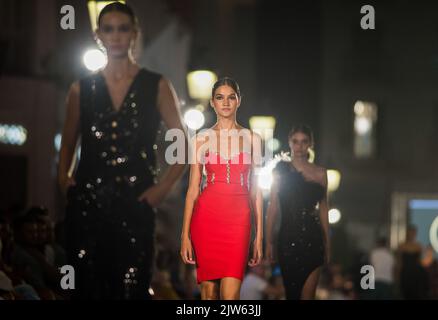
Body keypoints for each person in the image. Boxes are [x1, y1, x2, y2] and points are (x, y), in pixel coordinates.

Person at [58, 2, 186, 299]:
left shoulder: (157, 85)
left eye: (123, 28)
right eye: (109, 29)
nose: (116, 36)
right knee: (87, 288)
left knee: (132, 287)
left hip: (136, 203)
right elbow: (68, 141)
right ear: (98, 35)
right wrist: (64, 181)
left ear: (134, 34)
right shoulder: (81, 88)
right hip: (88, 204)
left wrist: (163, 187)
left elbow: (182, 143)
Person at [180, 77, 263, 300]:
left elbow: (257, 191)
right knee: (208, 293)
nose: (225, 102)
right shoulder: (201, 139)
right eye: (219, 97)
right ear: (212, 103)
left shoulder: (253, 139)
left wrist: (259, 236)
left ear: (239, 101)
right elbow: (192, 190)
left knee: (231, 295)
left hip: (239, 219)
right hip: (206, 217)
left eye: (230, 97)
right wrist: (184, 236)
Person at [266, 125, 329, 300]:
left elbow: (324, 209)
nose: (299, 146)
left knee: (307, 297)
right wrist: (268, 242)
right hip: (287, 239)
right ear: (289, 143)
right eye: (295, 141)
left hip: (313, 239)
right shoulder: (280, 171)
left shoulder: (320, 173)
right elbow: (273, 208)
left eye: (304, 142)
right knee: (292, 295)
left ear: (311, 144)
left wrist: (327, 243)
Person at [397, 225, 429, 299]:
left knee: (416, 294)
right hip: (405, 273)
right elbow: (399, 261)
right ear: (407, 233)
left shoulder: (418, 246)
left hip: (416, 273)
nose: (412, 234)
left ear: (415, 234)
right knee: (406, 293)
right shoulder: (402, 246)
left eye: (413, 232)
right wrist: (398, 276)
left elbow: (421, 261)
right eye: (410, 232)